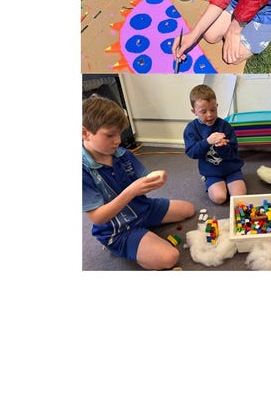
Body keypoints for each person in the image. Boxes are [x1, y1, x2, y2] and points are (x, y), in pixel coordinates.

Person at [82, 94, 195, 270]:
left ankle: (143, 231)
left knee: (188, 209)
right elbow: (98, 217)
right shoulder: (82, 169)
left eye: (119, 133)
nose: (118, 140)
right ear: (85, 133)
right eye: (110, 135)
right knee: (170, 257)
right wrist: (132, 191)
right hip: (117, 229)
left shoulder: (122, 154)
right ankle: (123, 247)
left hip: (143, 209)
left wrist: (155, 180)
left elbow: (142, 183)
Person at [184, 84, 247, 206]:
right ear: (194, 111)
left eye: (213, 110)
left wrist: (223, 146)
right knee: (219, 198)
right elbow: (192, 152)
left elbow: (234, 153)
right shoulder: (191, 129)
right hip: (211, 172)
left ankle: (232, 181)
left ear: (217, 106)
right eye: (203, 111)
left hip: (232, 169)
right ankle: (210, 181)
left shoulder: (225, 126)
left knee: (239, 198)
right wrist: (207, 142)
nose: (209, 115)